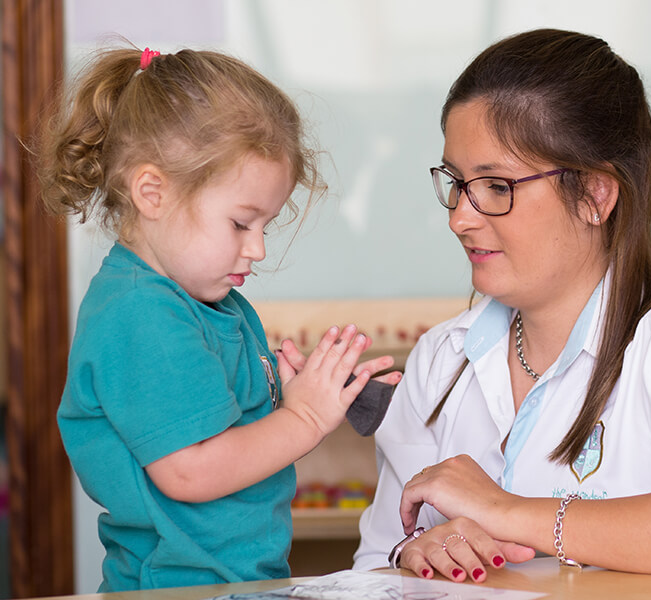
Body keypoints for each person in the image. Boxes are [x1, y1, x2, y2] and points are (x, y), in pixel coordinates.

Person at [353, 28, 651, 582]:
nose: (460, 218)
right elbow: (373, 566)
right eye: (457, 182)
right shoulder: (441, 358)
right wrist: (415, 554)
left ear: (594, 195)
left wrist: (507, 512)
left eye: (496, 186)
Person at [37, 46, 401, 591]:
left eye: (265, 226)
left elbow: (229, 423)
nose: (257, 249)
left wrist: (304, 392)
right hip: (178, 588)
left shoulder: (210, 303)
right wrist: (304, 417)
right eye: (240, 224)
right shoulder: (141, 316)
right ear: (153, 194)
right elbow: (190, 469)